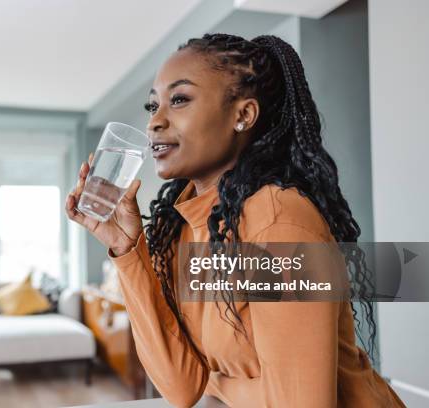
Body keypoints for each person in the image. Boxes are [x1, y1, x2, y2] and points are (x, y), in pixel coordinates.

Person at [65, 33, 405, 407]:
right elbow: (181, 388)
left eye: (179, 100)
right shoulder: (185, 225)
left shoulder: (278, 222)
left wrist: (220, 384)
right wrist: (126, 248)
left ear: (243, 114)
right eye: (152, 106)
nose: (155, 123)